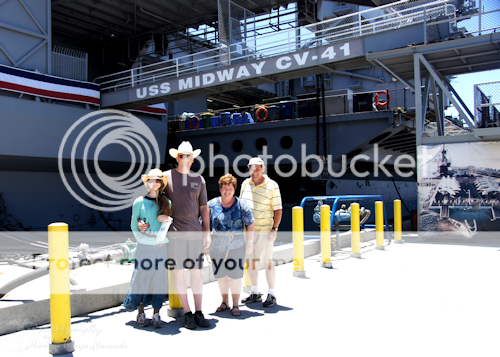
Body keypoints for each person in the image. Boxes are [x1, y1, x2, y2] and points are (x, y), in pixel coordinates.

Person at [140, 141, 211, 329]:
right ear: (176, 157)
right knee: (179, 273)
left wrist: (207, 233)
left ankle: (198, 312)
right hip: (174, 234)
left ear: (193, 158)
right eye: (181, 155)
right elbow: (151, 198)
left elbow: (204, 208)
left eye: (188, 155)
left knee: (196, 273)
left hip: (195, 233)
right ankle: (188, 313)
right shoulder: (166, 177)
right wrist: (141, 220)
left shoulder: (199, 180)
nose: (184, 158)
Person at [124, 169, 172, 328]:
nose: (155, 182)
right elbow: (133, 226)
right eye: (152, 180)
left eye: (159, 180)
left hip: (160, 247)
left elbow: (168, 228)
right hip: (145, 247)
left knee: (159, 281)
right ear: (147, 183)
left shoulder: (167, 202)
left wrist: (168, 219)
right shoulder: (139, 202)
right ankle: (141, 313)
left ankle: (157, 314)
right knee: (142, 279)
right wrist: (143, 238)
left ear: (161, 183)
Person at [208, 174, 255, 316]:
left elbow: (250, 223)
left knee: (235, 276)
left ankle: (235, 304)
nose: (227, 190)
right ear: (220, 188)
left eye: (230, 188)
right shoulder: (212, 204)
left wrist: (249, 242)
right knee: (221, 276)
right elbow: (203, 223)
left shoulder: (241, 204)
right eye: (224, 187)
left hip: (236, 245)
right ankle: (224, 302)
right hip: (216, 246)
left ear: (234, 189)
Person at [240, 157, 282, 307]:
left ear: (263, 169)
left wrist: (274, 228)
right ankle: (255, 292)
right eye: (252, 168)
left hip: (265, 230)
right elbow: (241, 206)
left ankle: (272, 294)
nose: (255, 171)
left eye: (258, 168)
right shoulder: (245, 183)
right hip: (248, 232)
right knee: (250, 262)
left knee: (267, 262)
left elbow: (278, 209)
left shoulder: (272, 185)